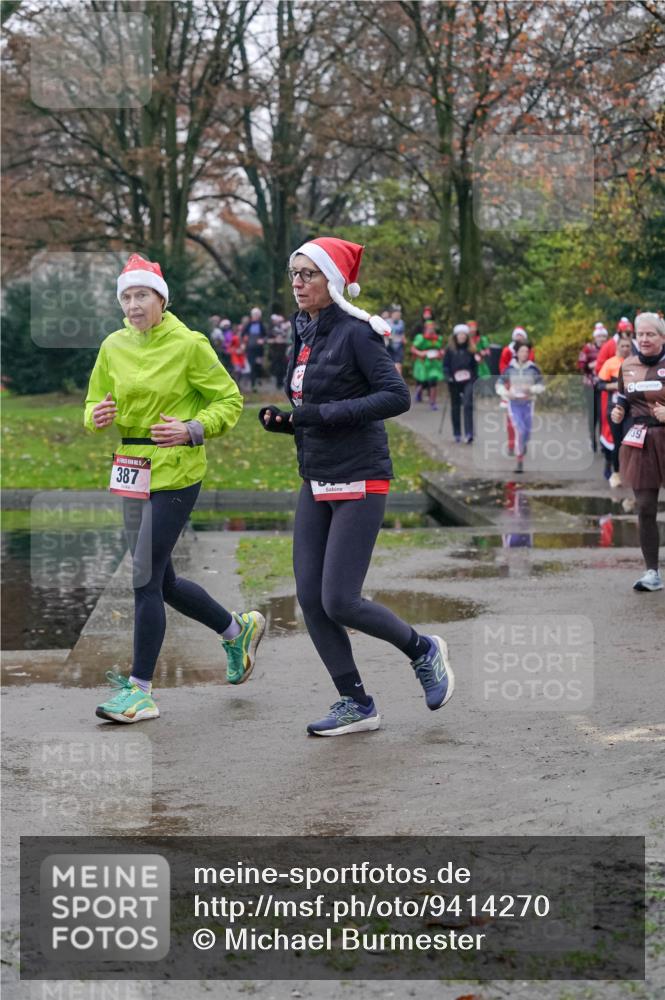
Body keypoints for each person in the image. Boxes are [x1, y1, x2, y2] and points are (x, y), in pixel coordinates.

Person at [258, 236, 455, 736]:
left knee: (340, 600)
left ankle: (423, 649)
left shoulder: (358, 333)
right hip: (316, 476)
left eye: (310, 274)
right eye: (294, 274)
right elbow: (315, 402)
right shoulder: (303, 331)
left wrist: (319, 415)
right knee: (310, 597)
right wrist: (289, 423)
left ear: (334, 281)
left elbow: (395, 396)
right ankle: (356, 703)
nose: (299, 284)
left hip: (361, 475)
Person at [84, 254, 265, 723]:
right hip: (130, 466)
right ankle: (235, 630)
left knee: (143, 577)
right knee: (160, 581)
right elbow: (92, 402)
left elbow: (229, 399)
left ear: (161, 299)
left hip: (178, 471)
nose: (132, 304)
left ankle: (140, 690)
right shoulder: (112, 346)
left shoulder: (189, 345)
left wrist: (192, 428)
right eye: (126, 296)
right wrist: (95, 416)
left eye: (141, 294)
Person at [611, 312, 665, 592]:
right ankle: (652, 573)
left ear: (662, 337)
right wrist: (618, 412)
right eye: (639, 334)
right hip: (642, 440)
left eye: (650, 334)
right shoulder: (628, 365)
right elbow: (623, 399)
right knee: (645, 507)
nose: (643, 339)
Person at [496, 342, 545, 473]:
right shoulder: (510, 368)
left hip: (528, 404)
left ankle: (523, 444)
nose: (524, 354)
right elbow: (499, 384)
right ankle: (519, 462)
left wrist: (531, 389)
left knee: (526, 432)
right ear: (516, 353)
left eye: (526, 352)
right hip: (514, 404)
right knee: (520, 430)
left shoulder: (533, 369)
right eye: (521, 351)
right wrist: (507, 393)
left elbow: (541, 385)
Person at [597, 331, 634, 487]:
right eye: (622, 346)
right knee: (618, 442)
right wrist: (615, 386)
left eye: (628, 346)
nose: (625, 348)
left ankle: (629, 473)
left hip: (632, 409)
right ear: (617, 347)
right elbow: (598, 385)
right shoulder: (610, 363)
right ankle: (616, 472)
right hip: (614, 407)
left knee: (630, 442)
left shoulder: (636, 363)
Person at [499, 327, 535, 455]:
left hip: (525, 389)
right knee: (511, 419)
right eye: (517, 336)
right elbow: (503, 367)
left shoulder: (529, 352)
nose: (519, 338)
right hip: (511, 387)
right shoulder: (506, 351)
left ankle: (522, 442)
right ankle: (511, 444)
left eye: (521, 336)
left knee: (525, 420)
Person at [443, 323, 478, 442]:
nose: (462, 336)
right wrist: (448, 377)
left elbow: (474, 367)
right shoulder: (450, 350)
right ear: (455, 336)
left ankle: (469, 433)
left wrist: (474, 379)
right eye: (460, 334)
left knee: (468, 404)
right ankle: (457, 432)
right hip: (454, 381)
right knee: (455, 406)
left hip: (468, 380)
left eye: (464, 334)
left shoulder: (471, 350)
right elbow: (446, 366)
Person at [577, 322, 608, 452]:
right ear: (595, 337)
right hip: (590, 385)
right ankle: (592, 440)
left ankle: (602, 441)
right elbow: (581, 365)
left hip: (603, 385)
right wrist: (593, 364)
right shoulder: (588, 348)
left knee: (603, 414)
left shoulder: (608, 348)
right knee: (593, 414)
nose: (601, 339)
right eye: (599, 336)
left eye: (603, 336)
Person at [411, 318, 445, 410]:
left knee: (433, 381)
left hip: (434, 363)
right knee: (422, 381)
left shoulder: (438, 338)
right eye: (429, 328)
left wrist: (441, 353)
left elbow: (441, 349)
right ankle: (417, 394)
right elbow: (413, 349)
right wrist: (420, 353)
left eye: (432, 328)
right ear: (425, 328)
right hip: (423, 363)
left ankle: (432, 402)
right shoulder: (421, 338)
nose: (431, 329)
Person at [242, 307, 266, 391]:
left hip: (259, 350)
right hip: (250, 348)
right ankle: (253, 385)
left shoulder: (261, 325)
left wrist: (263, 340)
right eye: (254, 314)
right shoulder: (249, 324)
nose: (255, 316)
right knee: (252, 365)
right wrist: (244, 341)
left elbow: (265, 335)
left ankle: (258, 379)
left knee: (258, 366)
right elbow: (243, 334)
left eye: (257, 315)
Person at [387, 306, 406, 375]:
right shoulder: (387, 322)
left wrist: (404, 339)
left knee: (398, 364)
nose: (397, 316)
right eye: (396, 314)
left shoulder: (401, 322)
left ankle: (399, 381)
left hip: (399, 346)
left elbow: (402, 333)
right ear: (392, 314)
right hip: (389, 345)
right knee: (390, 364)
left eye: (399, 315)